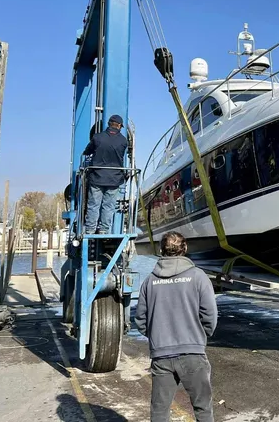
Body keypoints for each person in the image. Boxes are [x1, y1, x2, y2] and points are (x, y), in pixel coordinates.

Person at [135, 231, 217, 422]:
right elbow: (210, 315)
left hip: (161, 356)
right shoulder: (198, 277)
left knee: (160, 412)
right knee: (203, 408)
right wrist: (199, 336)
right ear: (185, 249)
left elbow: (140, 320)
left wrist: (159, 336)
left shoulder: (150, 281)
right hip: (192, 353)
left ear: (161, 250)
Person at [82, 114, 128, 234]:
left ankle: (90, 229)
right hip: (114, 179)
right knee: (109, 206)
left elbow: (87, 151)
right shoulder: (123, 141)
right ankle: (104, 230)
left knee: (93, 205)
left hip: (97, 177)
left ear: (109, 124)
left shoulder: (97, 137)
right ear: (119, 126)